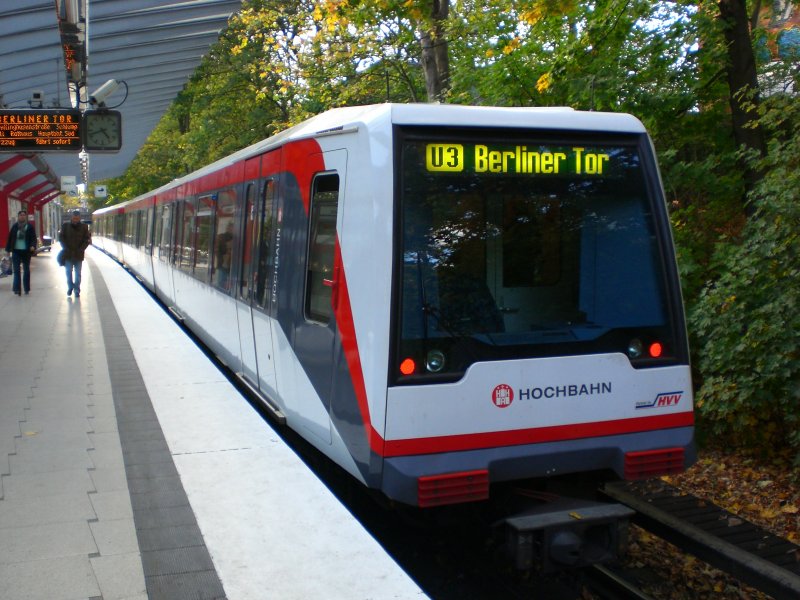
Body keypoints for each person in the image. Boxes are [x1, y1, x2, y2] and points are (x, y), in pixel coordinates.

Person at [59, 209, 91, 297]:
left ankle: (77, 290)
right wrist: (65, 248)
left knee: (78, 273)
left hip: (79, 254)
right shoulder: (65, 226)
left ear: (79, 218)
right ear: (71, 218)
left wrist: (81, 249)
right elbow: (61, 238)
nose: (75, 220)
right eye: (74, 218)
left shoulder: (84, 227)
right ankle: (70, 287)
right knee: (68, 272)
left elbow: (87, 239)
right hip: (68, 254)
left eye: (77, 218)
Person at [4, 210, 37, 296]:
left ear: (25, 217)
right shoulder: (15, 227)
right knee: (16, 271)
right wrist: (7, 250)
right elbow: (10, 238)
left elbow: (33, 238)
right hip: (16, 251)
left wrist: (33, 245)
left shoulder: (29, 227)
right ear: (18, 217)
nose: (22, 217)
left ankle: (26, 288)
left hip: (26, 252)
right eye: (21, 215)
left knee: (26, 270)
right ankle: (17, 289)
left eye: (23, 215)